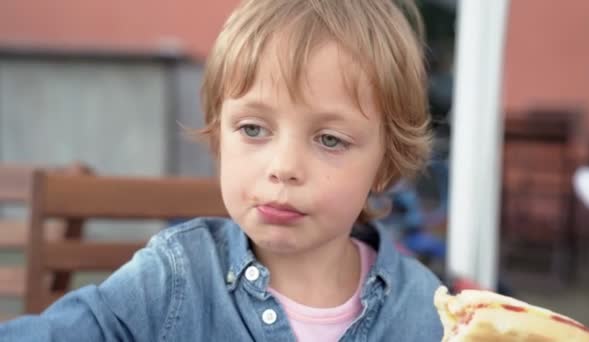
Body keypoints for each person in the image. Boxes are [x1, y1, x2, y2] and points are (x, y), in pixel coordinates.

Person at [0, 0, 443, 340]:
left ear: (385, 166)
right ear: (219, 136)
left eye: (330, 139)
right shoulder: (174, 277)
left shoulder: (430, 311)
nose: (283, 167)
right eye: (253, 128)